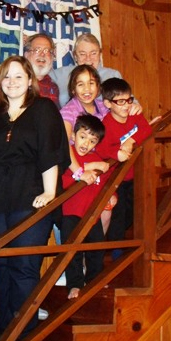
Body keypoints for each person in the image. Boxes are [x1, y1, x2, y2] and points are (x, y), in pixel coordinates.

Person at [0, 56, 69, 341]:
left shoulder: (44, 109)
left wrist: (50, 192)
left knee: (24, 268)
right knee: (0, 269)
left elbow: (51, 151)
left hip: (31, 194)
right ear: (0, 82)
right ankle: (1, 336)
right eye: (6, 77)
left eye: (18, 76)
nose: (12, 81)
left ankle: (22, 339)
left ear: (30, 80)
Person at [97, 78, 153, 259]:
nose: (126, 105)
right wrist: (116, 153)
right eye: (120, 102)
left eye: (129, 100)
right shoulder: (106, 124)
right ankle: (117, 248)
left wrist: (131, 141)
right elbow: (102, 148)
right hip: (116, 179)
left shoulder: (135, 116)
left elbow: (146, 130)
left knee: (135, 208)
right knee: (118, 214)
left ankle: (129, 243)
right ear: (108, 103)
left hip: (134, 174)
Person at [61, 115, 113, 300]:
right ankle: (74, 284)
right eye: (83, 137)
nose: (86, 143)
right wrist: (88, 166)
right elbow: (64, 179)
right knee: (72, 250)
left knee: (97, 248)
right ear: (73, 136)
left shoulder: (98, 158)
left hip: (92, 215)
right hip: (71, 213)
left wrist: (112, 195)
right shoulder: (69, 156)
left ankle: (94, 279)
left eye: (92, 141)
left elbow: (107, 179)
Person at [60, 64, 112, 231]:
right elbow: (64, 143)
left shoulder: (103, 107)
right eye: (80, 84)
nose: (87, 89)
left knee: (107, 208)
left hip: (101, 166)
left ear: (98, 86)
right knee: (77, 218)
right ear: (73, 89)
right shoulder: (69, 110)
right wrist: (79, 171)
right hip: (74, 164)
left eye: (91, 83)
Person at [50, 32, 143, 114]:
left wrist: (135, 106)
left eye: (93, 53)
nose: (88, 58)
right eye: (82, 54)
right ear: (75, 56)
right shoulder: (59, 74)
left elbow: (129, 100)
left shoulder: (112, 75)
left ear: (100, 54)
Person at [0, 33, 60, 108]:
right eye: (37, 50)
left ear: (52, 57)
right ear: (26, 55)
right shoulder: (8, 81)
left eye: (47, 51)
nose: (42, 54)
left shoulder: (53, 88)